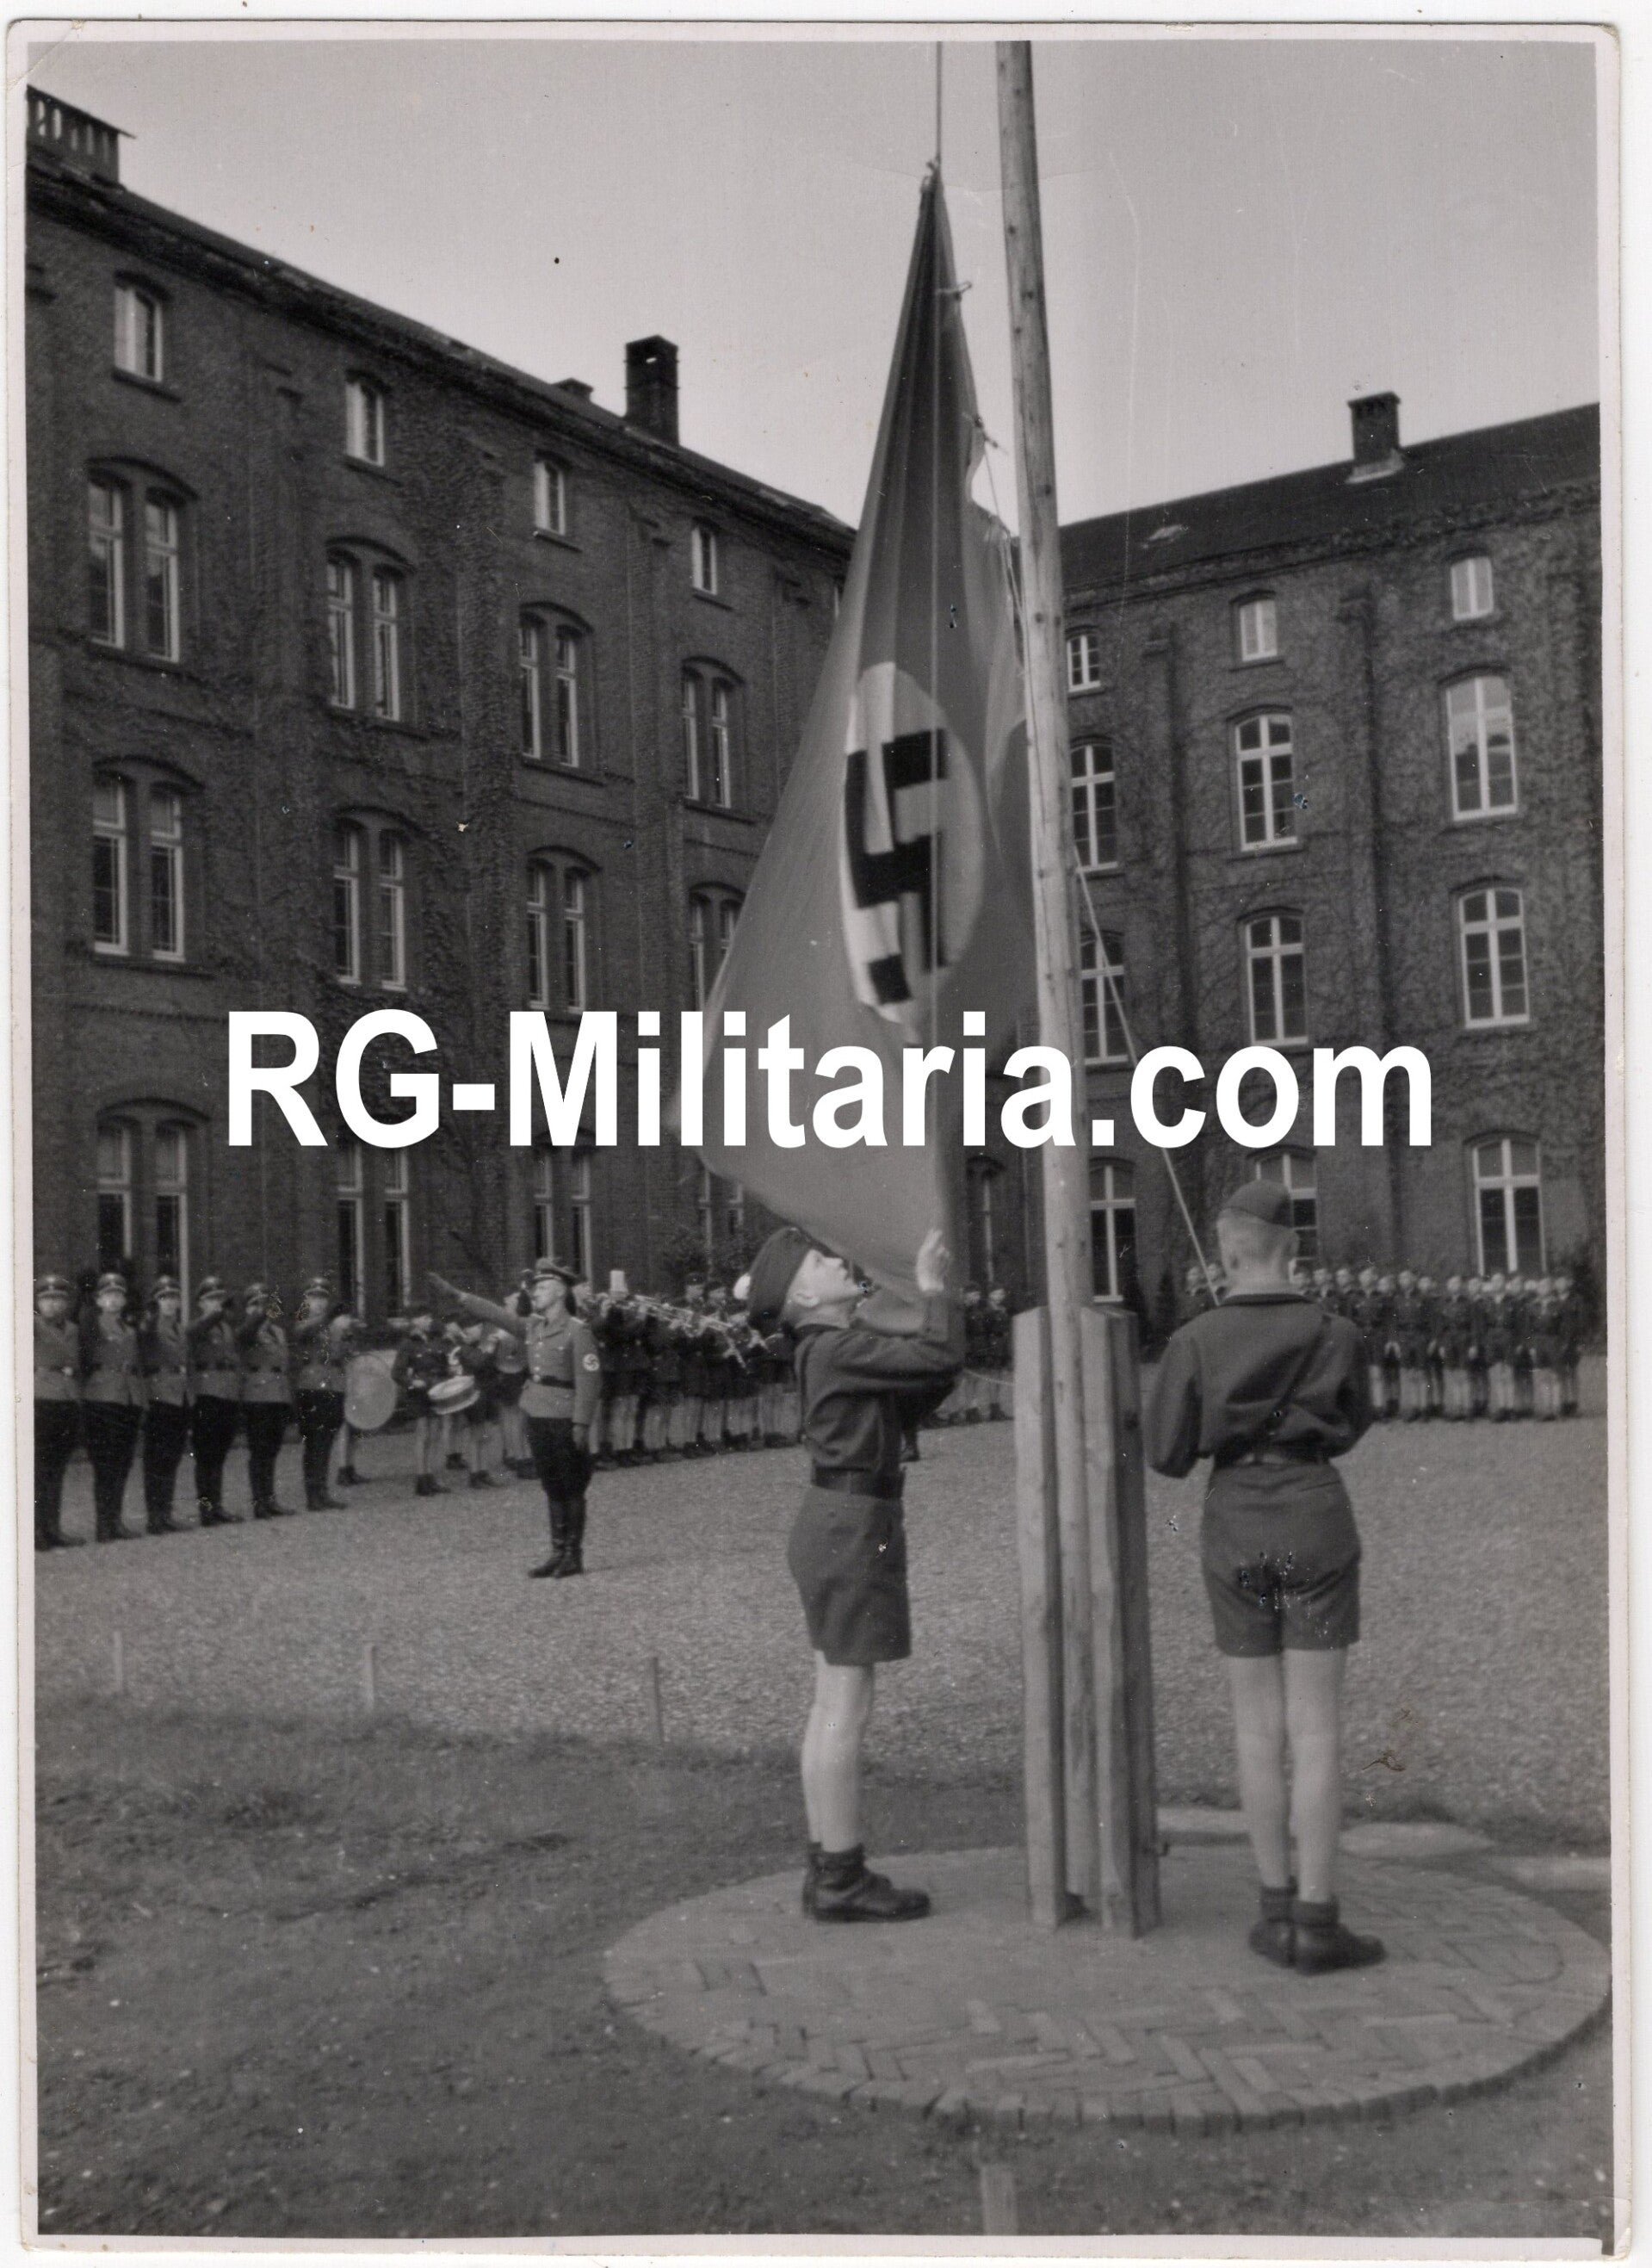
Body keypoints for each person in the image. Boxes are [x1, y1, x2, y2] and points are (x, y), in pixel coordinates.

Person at [1145, 1180, 1383, 1975]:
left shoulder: (1196, 1339)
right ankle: (1316, 1920)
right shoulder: (1336, 1331)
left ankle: (1273, 1905)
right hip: (1312, 1514)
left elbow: (1167, 1454)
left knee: (1255, 1727)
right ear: (1293, 1249)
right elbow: (1349, 1426)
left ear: (1225, 1255)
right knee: (1315, 1729)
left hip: (1236, 1519)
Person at [744, 1222, 962, 1924]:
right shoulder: (835, 1346)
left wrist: (936, 1351)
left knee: (832, 1702)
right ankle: (840, 1875)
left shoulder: (829, 1348)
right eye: (819, 1259)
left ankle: (828, 1866)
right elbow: (936, 1351)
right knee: (845, 1705)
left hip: (838, 1518)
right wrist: (932, 1292)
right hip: (850, 1522)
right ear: (805, 1294)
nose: (835, 1260)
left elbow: (921, 1381)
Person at [433, 1259, 601, 1577]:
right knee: (551, 1485)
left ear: (560, 1291)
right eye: (536, 1287)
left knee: (572, 1485)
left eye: (543, 1287)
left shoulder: (578, 1332)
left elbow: (589, 1381)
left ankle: (573, 1554)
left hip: (565, 1416)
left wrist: (581, 1423)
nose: (536, 1293)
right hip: (538, 1412)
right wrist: (458, 1296)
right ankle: (557, 1551)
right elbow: (496, 1314)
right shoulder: (534, 1326)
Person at [78, 1270, 145, 1542]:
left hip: (128, 1397)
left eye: (118, 1295)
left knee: (123, 1461)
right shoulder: (92, 1323)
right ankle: (103, 1525)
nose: (114, 1300)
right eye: (108, 1295)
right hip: (102, 1397)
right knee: (105, 1462)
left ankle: (115, 1520)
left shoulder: (129, 1329)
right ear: (98, 1299)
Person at [293, 1278, 356, 1509]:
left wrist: (348, 1338)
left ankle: (323, 1491)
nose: (319, 1302)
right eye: (314, 1297)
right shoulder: (304, 1319)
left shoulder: (335, 1326)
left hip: (334, 1385)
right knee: (314, 1441)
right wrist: (328, 1318)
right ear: (306, 1300)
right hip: (312, 1385)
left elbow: (344, 1355)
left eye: (322, 1298)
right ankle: (312, 1495)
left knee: (327, 1439)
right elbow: (301, 1334)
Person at [34, 1273, 84, 1552]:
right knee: (40, 1468)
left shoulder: (73, 1330)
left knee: (58, 1468)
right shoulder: (32, 1325)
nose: (53, 1304)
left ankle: (54, 1528)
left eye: (58, 1299)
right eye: (47, 1298)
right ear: (38, 1303)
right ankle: (36, 1530)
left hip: (67, 1399)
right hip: (41, 1398)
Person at [138, 1274, 193, 1533]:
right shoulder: (151, 1325)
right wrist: (149, 1316)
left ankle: (166, 1512)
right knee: (156, 1457)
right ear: (155, 1302)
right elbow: (145, 1334)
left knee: (172, 1455)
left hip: (179, 1394)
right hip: (159, 1394)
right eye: (164, 1298)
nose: (170, 1303)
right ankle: (154, 1516)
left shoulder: (179, 1328)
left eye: (173, 1298)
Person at [188, 1277, 244, 1525]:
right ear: (200, 1303)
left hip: (226, 1392)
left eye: (219, 1299)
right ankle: (206, 1509)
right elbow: (193, 1332)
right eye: (211, 1299)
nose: (216, 1304)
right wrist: (217, 1314)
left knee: (219, 1453)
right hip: (206, 1392)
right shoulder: (199, 1325)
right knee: (205, 1454)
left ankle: (216, 1505)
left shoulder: (226, 1328)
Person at [238, 1282, 295, 1517]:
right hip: (258, 1395)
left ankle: (270, 1498)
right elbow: (245, 1334)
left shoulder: (278, 1332)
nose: (261, 1308)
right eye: (255, 1304)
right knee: (259, 1449)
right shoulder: (248, 1330)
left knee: (272, 1448)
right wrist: (259, 1313)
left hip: (278, 1393)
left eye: (264, 1303)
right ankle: (258, 1502)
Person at [392, 1302, 452, 1496]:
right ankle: (421, 1478)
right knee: (422, 1435)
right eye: (424, 1318)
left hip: (436, 1390)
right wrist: (411, 1382)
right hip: (419, 1392)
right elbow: (397, 1372)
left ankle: (431, 1476)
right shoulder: (408, 1343)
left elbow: (444, 1363)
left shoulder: (436, 1339)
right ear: (414, 1321)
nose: (428, 1321)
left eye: (429, 1317)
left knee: (434, 1435)